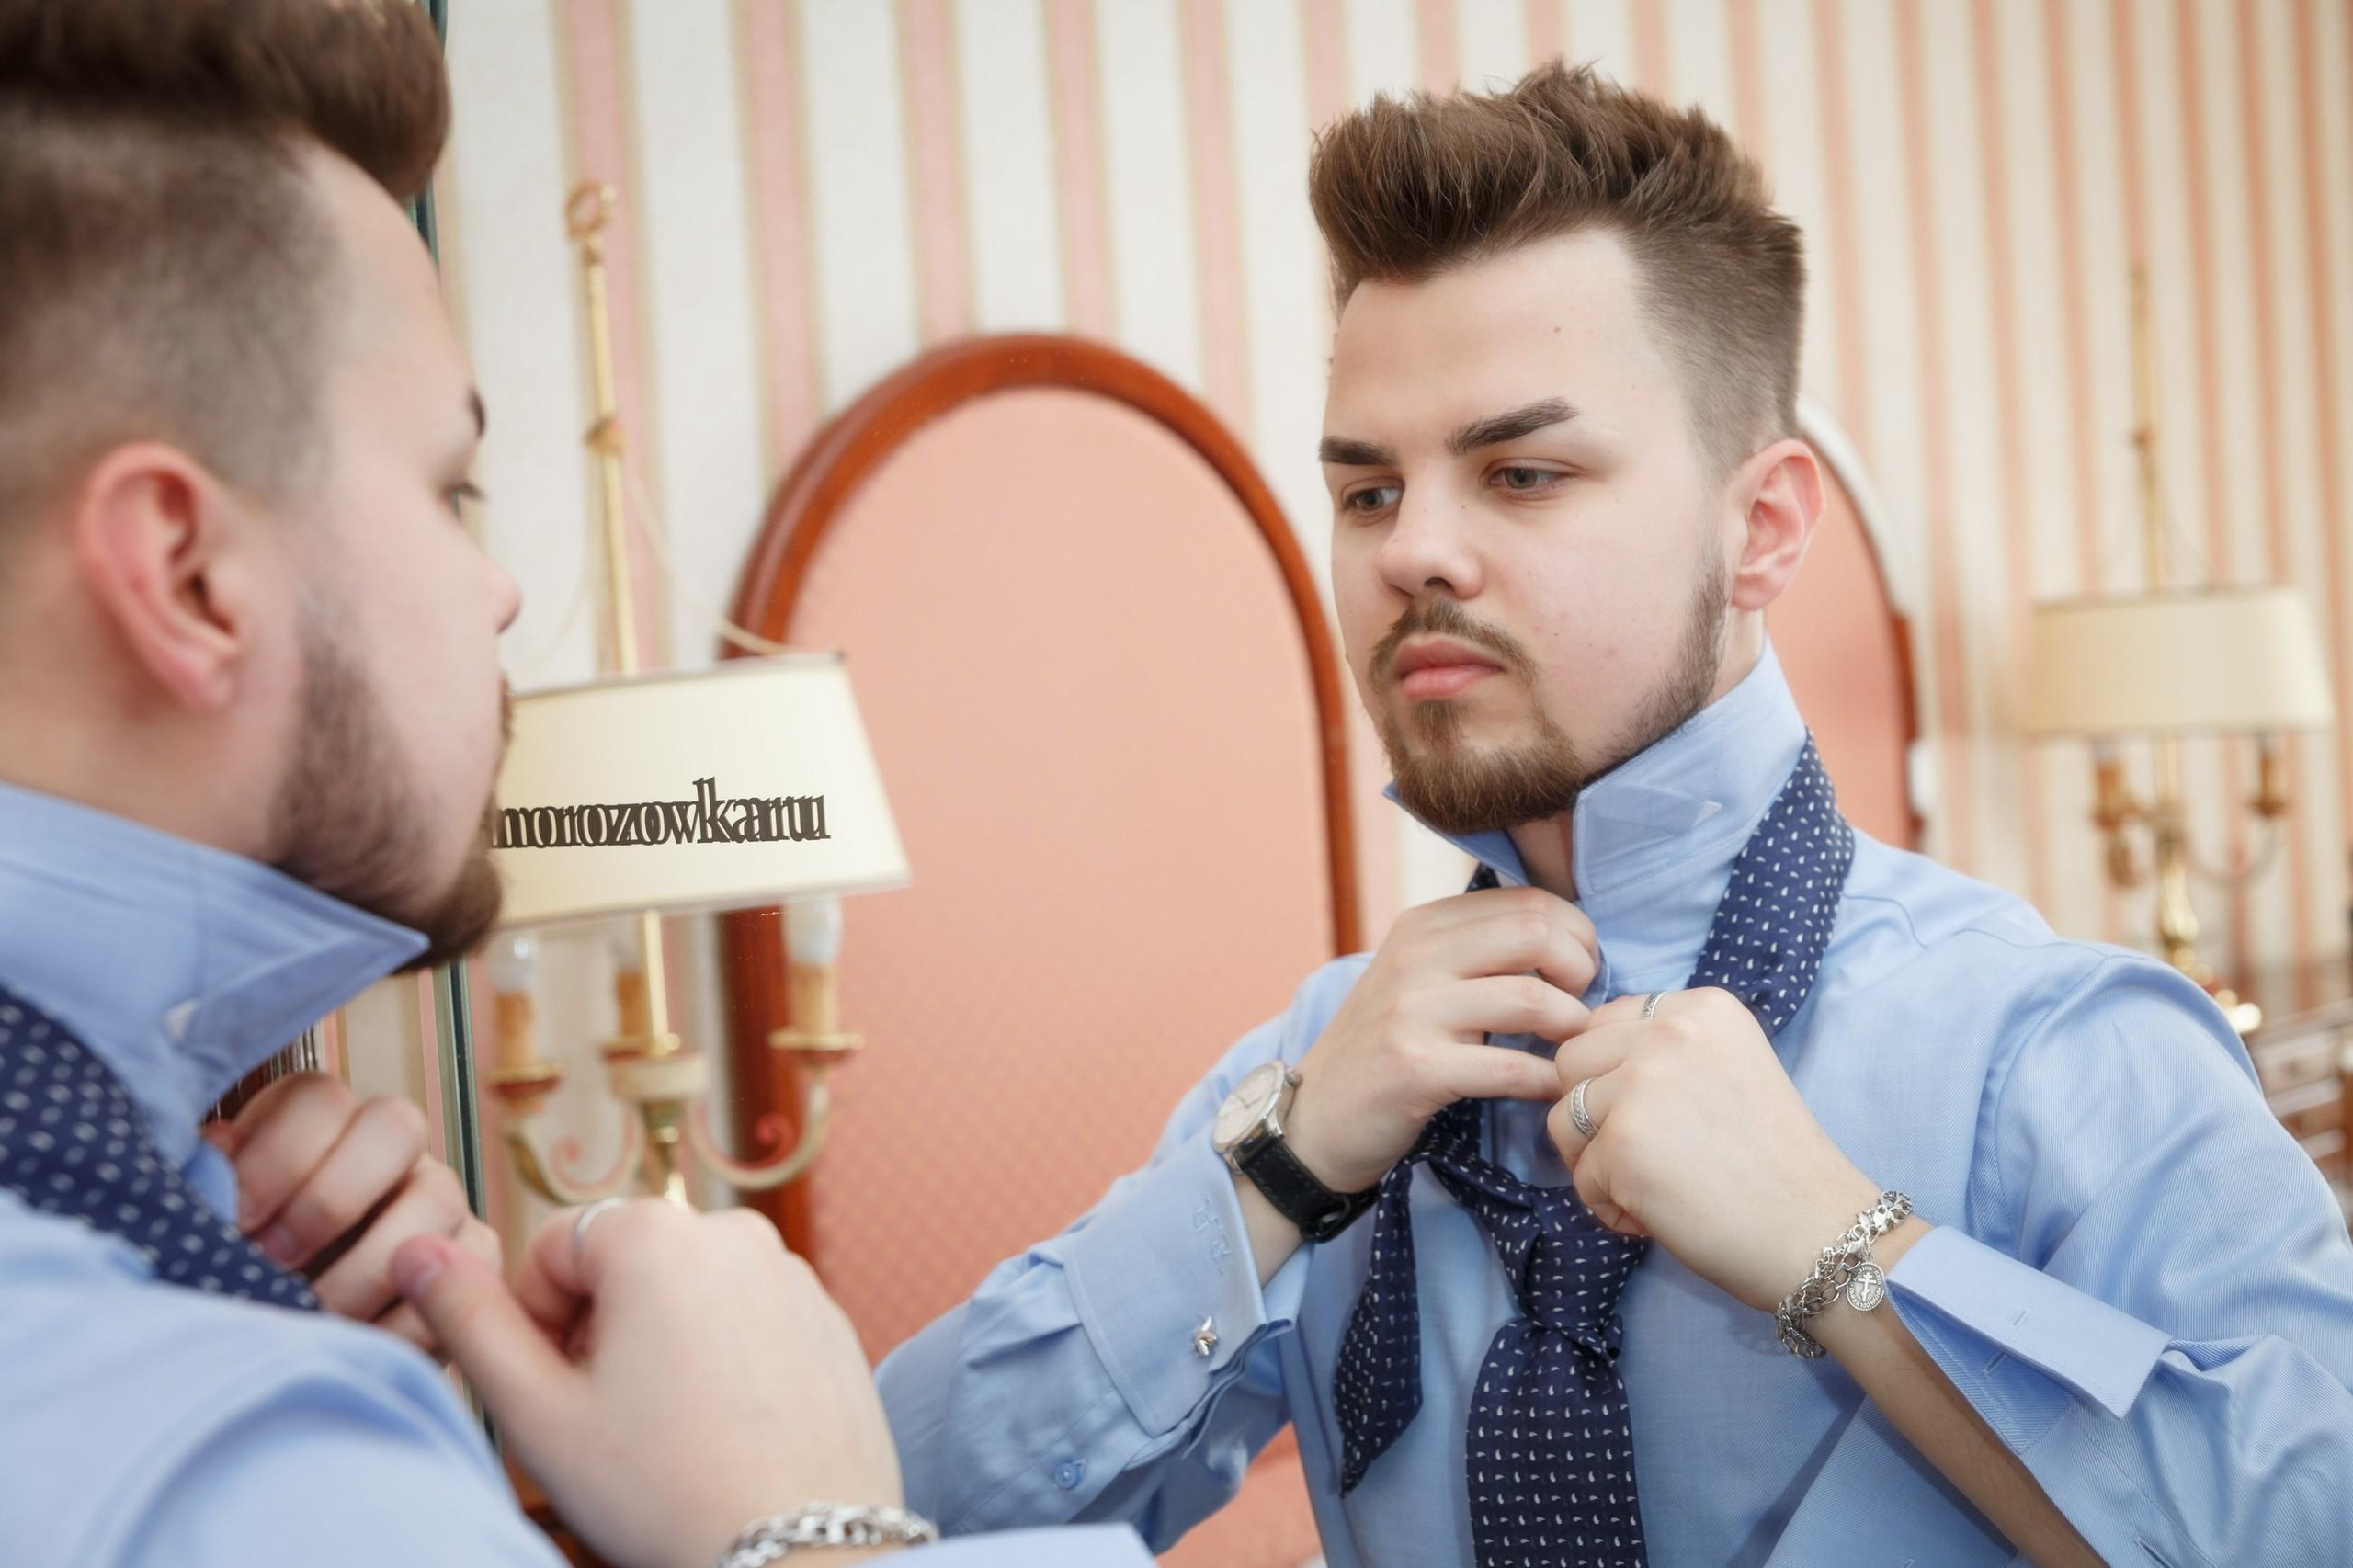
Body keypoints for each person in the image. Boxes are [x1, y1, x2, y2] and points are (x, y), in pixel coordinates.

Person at [876, 62, 2353, 1568]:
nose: (1417, 553)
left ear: (1761, 525)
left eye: (1522, 472)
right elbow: (867, 1516)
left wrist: (1846, 1253)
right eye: (1369, 492)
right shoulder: (1309, 1077)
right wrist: (1281, 1172)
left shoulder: (2059, 1050)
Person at [0, 3, 1147, 1564]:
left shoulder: (180, 1288)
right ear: (191, 576)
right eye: (448, 481)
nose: (500, 591)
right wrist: (813, 1534)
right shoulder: (231, 1461)